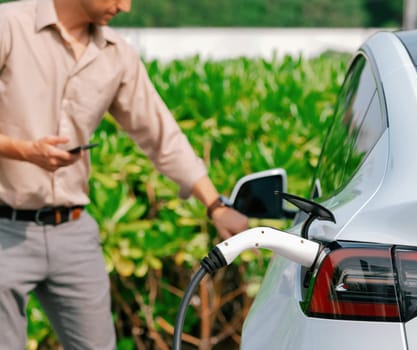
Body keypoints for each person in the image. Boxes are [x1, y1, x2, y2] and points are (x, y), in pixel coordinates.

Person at [0, 0, 249, 349]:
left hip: (73, 233)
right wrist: (23, 151)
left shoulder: (117, 55)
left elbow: (162, 136)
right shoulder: (9, 26)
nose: (126, 6)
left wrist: (214, 205)